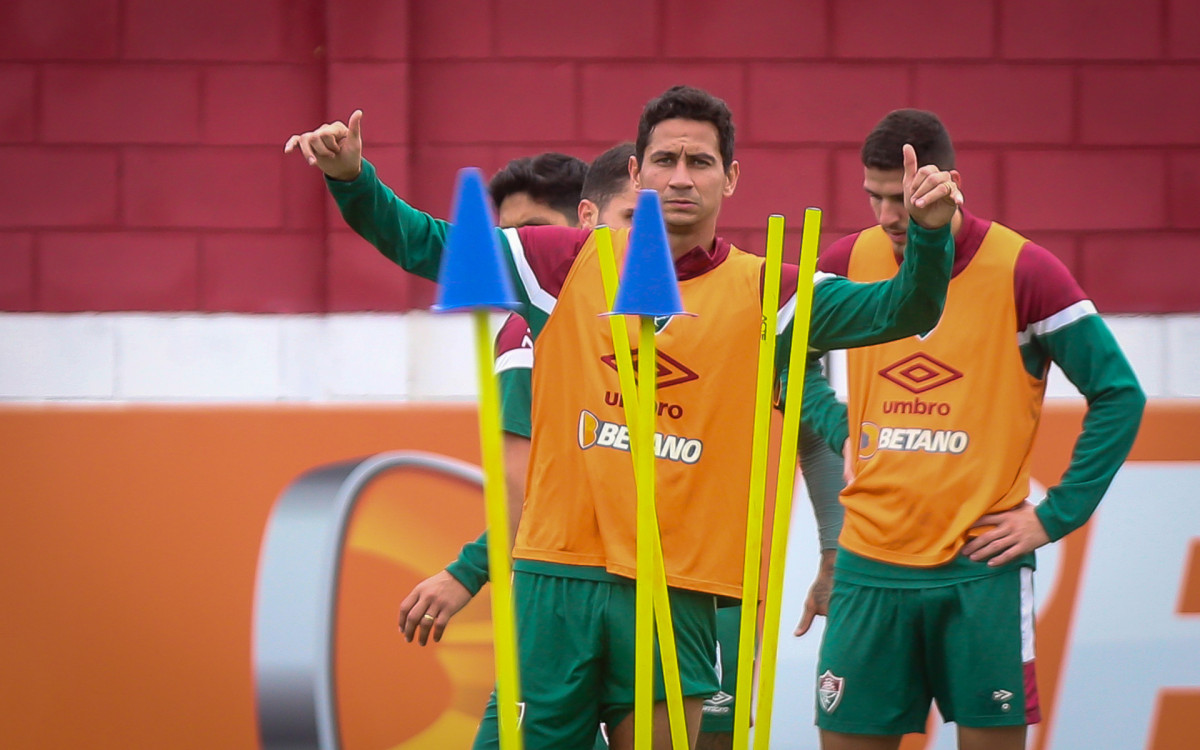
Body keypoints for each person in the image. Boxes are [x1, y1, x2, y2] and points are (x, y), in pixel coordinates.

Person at [285, 85, 958, 749]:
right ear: (635, 173)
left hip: (678, 588)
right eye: (664, 160)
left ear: (731, 178)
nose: (681, 178)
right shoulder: (562, 264)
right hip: (557, 579)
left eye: (700, 163)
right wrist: (353, 180)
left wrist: (929, 238)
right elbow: (429, 245)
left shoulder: (770, 291)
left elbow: (904, 310)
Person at [399, 141, 846, 750]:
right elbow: (522, 489)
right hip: (574, 588)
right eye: (511, 237)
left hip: (701, 594)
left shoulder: (738, 304)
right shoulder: (533, 330)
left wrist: (831, 545)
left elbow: (812, 432)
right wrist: (472, 569)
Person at [794, 109, 1146, 750]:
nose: (886, 217)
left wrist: (1055, 516)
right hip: (868, 567)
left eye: (900, 198)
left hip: (978, 571)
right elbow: (788, 363)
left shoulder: (1025, 270)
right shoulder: (848, 259)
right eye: (873, 197)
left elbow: (1119, 395)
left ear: (950, 182)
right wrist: (838, 424)